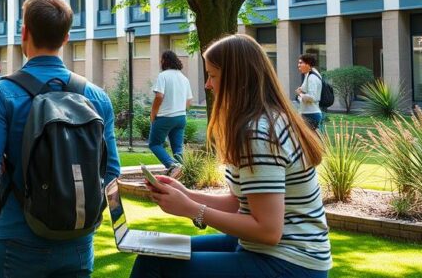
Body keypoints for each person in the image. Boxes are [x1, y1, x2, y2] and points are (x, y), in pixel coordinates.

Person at [130, 34, 331, 278]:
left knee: (157, 263)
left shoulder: (259, 133)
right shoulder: (266, 121)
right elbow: (240, 202)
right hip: (270, 251)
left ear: (236, 79)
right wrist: (186, 194)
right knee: (155, 251)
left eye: (212, 75)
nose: (208, 85)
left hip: (290, 262)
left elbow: (268, 230)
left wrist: (192, 209)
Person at [0, 0, 120, 277]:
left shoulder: (2, 93)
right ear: (66, 38)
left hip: (19, 236)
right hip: (78, 241)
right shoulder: (96, 97)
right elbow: (111, 172)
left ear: (24, 32)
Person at [148, 50, 194, 178]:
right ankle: (184, 175)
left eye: (161, 59)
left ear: (165, 61)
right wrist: (179, 110)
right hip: (180, 118)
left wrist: (153, 113)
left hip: (164, 117)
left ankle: (172, 166)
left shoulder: (163, 76)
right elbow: (189, 100)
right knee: (178, 149)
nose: (160, 62)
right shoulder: (184, 78)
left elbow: (159, 96)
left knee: (155, 144)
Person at [296, 54, 324, 132]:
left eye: (301, 63)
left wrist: (300, 94)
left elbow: (312, 97)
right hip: (308, 113)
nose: (298, 65)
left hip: (311, 114)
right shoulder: (309, 75)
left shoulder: (312, 77)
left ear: (308, 64)